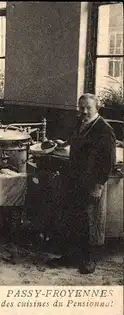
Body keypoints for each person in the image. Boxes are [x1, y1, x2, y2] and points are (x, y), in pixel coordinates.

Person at [48, 93, 116, 274]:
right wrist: (63, 143)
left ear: (97, 108)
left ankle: (88, 260)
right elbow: (74, 140)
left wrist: (99, 185)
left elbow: (108, 161)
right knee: (71, 218)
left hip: (91, 182)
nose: (84, 111)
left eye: (88, 108)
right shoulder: (80, 123)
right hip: (73, 179)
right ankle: (70, 256)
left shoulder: (104, 129)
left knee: (88, 221)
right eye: (81, 108)